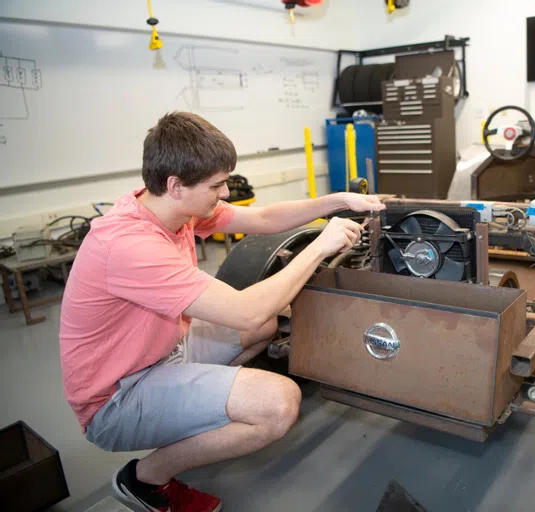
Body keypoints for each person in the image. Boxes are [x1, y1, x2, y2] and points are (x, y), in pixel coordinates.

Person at [59, 112, 385, 511]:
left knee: (267, 324)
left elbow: (264, 218)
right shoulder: (130, 246)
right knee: (278, 405)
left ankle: (196, 410)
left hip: (162, 355)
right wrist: (321, 245)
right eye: (216, 185)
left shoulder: (166, 205)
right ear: (175, 185)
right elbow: (244, 311)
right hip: (116, 397)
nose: (227, 193)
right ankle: (145, 480)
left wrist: (337, 202)